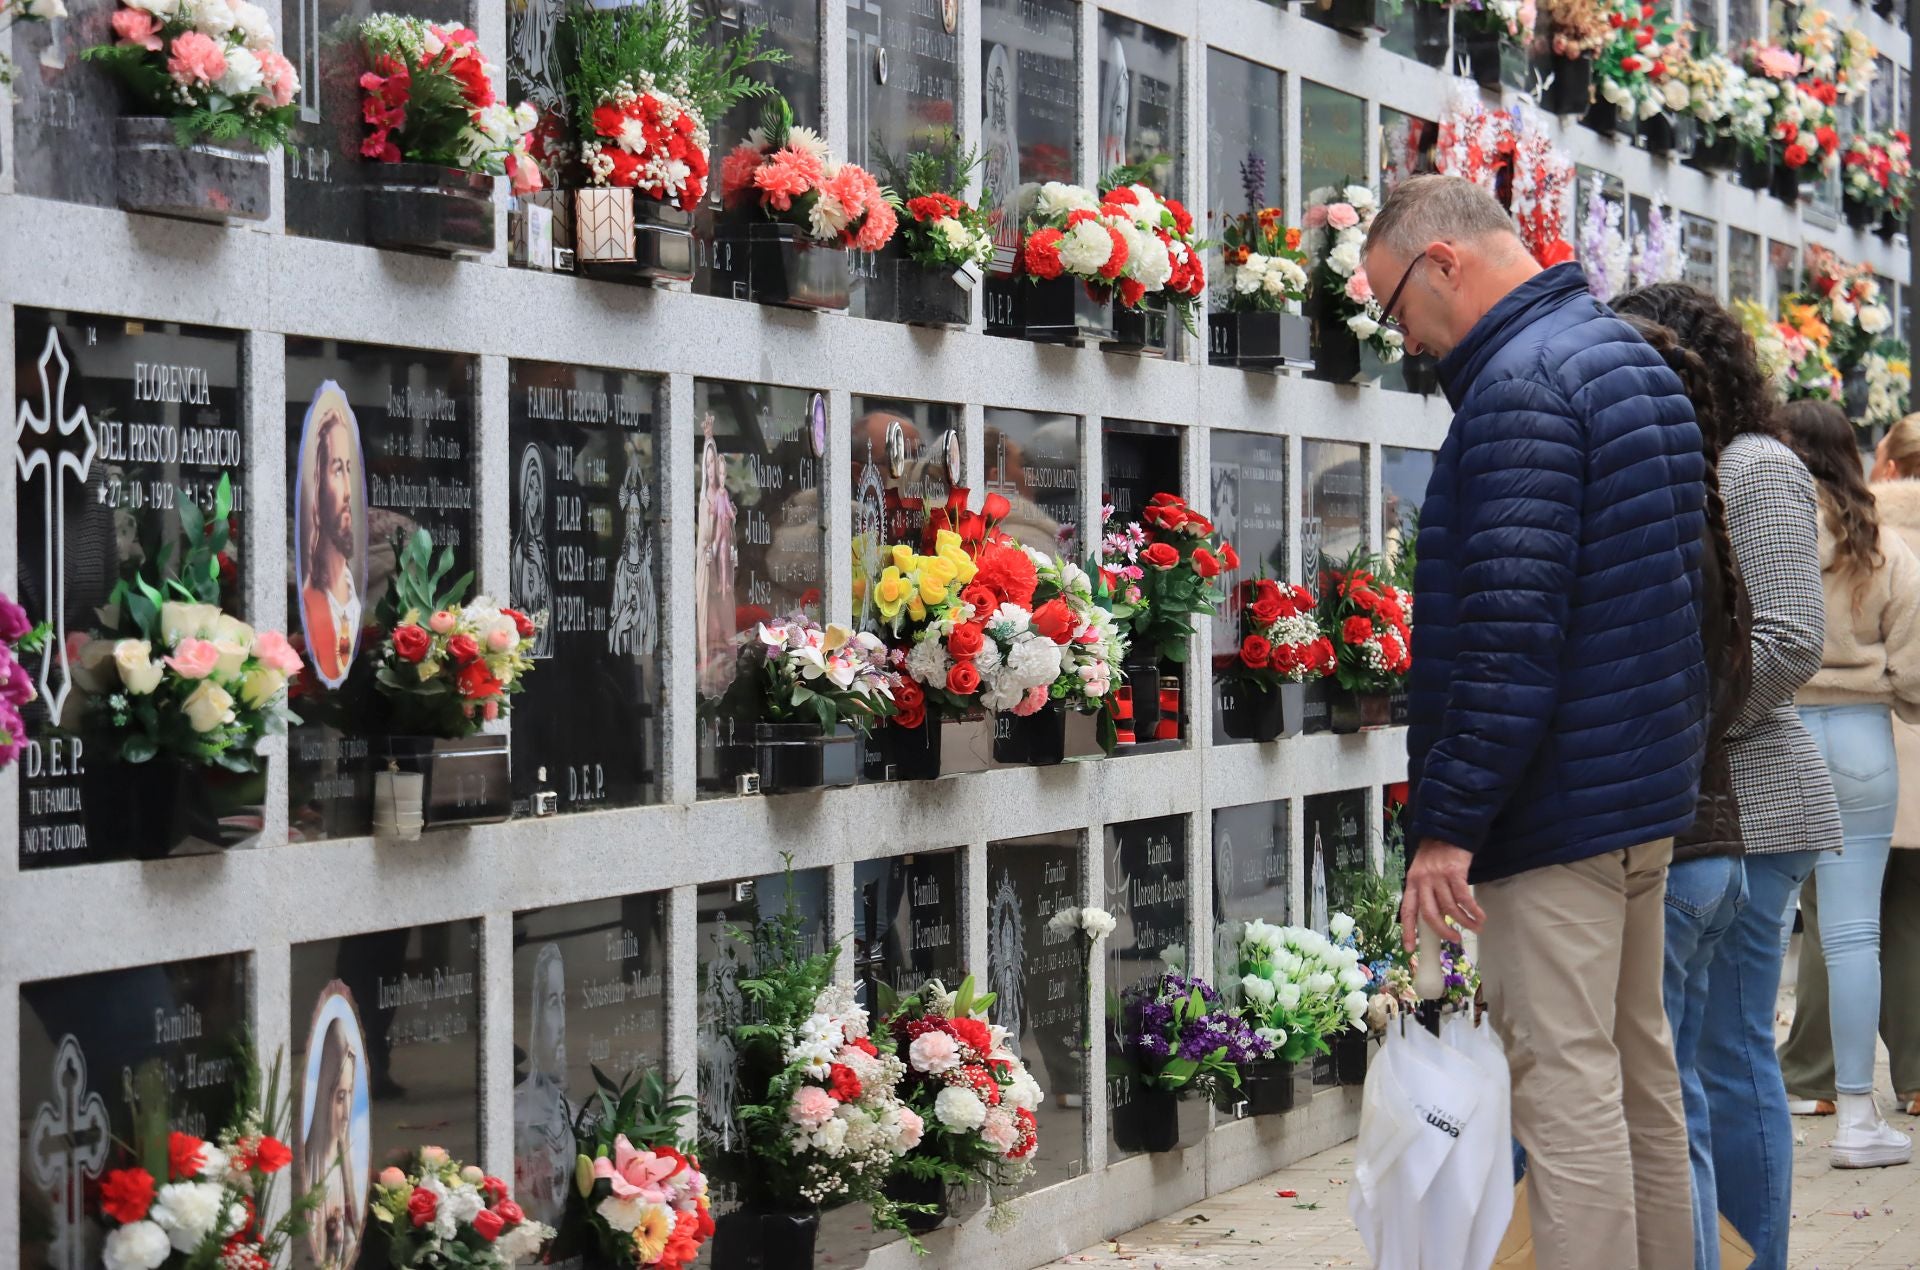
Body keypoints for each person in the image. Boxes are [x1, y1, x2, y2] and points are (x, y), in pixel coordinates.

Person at [1363, 175, 1707, 1270]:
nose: (1403, 340)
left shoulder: (1518, 388)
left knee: (1565, 1094)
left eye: (1393, 307)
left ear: (1445, 262)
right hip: (1640, 795)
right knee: (1638, 1075)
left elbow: (1511, 631)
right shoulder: (1628, 359)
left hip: (1557, 810)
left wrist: (1450, 822)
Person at [1614, 297, 1755, 1270]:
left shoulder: (1658, 526)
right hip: (1712, 838)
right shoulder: (1707, 521)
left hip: (1671, 847)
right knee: (1680, 1104)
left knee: (1648, 1114)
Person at [1773, 400, 1920, 1169]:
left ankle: (1766, 1095)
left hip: (1779, 730)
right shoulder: (1885, 546)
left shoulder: (1765, 536)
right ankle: (1860, 1119)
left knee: (1766, 920)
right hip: (1864, 738)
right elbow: (1918, 670)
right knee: (1856, 931)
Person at [299, 388, 364, 688]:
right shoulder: (310, 599)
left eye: (349, 469)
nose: (349, 491)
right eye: (337, 470)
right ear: (318, 482)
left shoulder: (357, 600)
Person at [303, 1012, 364, 1269]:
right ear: (323, 1098)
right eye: (340, 1097)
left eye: (350, 1094)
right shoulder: (308, 1172)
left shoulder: (345, 1167)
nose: (347, 1111)